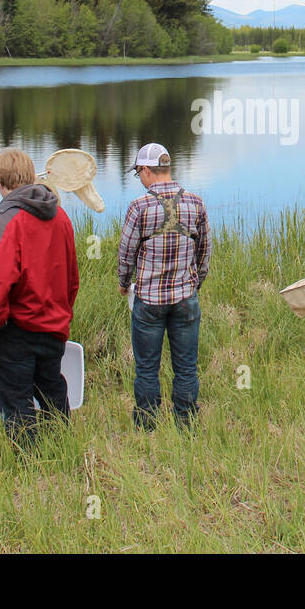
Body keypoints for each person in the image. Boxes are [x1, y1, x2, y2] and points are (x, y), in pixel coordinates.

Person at [0, 148, 78, 447]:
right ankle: (63, 453)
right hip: (52, 327)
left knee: (17, 403)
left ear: (0, 183)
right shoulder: (60, 215)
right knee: (52, 391)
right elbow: (72, 278)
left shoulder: (5, 217)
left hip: (14, 331)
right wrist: (61, 315)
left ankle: (29, 466)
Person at [117, 143, 210, 429]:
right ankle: (186, 422)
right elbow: (204, 252)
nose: (140, 179)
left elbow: (126, 253)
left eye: (139, 173)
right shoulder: (195, 202)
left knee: (147, 367)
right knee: (186, 366)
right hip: (185, 297)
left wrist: (124, 283)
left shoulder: (139, 206)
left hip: (148, 300)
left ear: (146, 170)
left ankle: (147, 423)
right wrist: (195, 284)